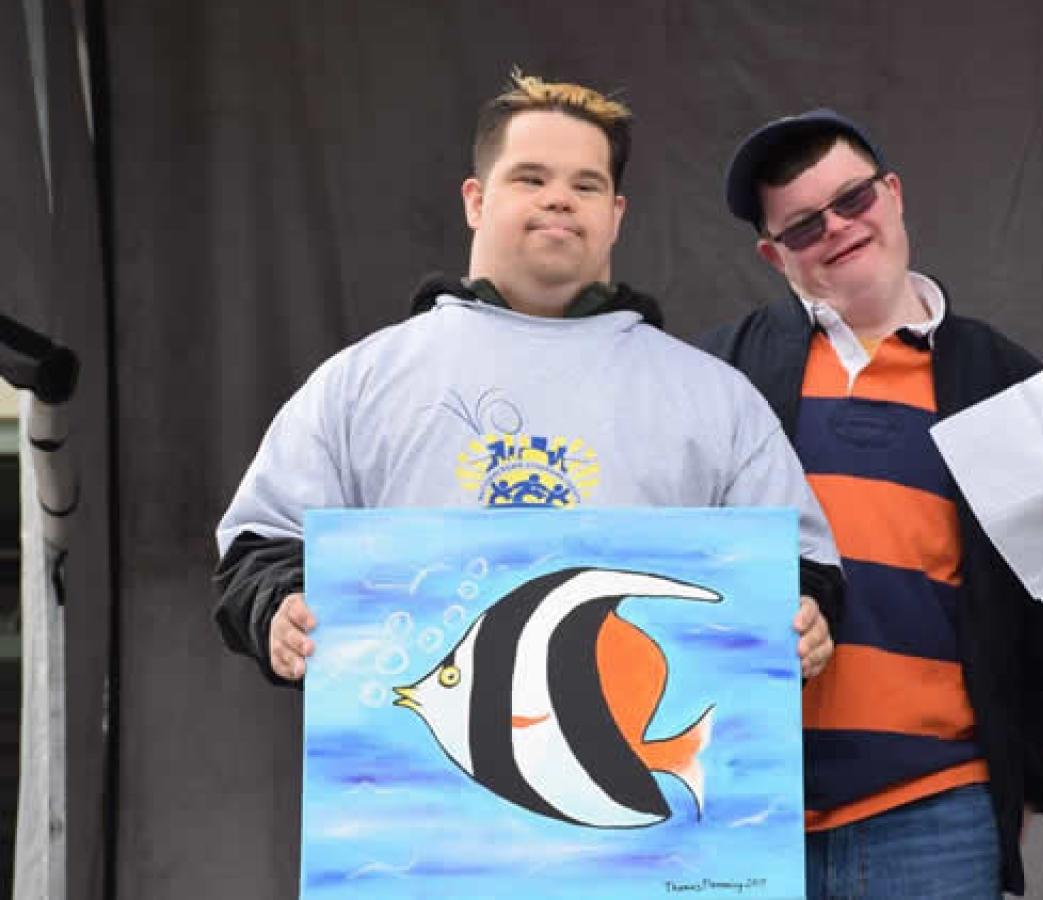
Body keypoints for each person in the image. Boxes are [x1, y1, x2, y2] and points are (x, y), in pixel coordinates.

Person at [213, 74, 841, 688]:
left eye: (586, 185)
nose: (559, 199)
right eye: (531, 178)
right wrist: (278, 611)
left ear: (616, 215)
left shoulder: (715, 398)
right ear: (476, 200)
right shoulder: (360, 383)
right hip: (413, 785)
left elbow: (799, 569)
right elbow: (262, 547)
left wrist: (807, 619)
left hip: (640, 767)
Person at [700, 109, 1043, 898]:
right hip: (743, 811)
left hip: (937, 810)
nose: (837, 228)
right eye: (804, 226)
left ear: (895, 194)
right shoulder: (719, 376)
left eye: (853, 200)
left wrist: (1028, 775)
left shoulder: (1006, 380)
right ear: (774, 256)